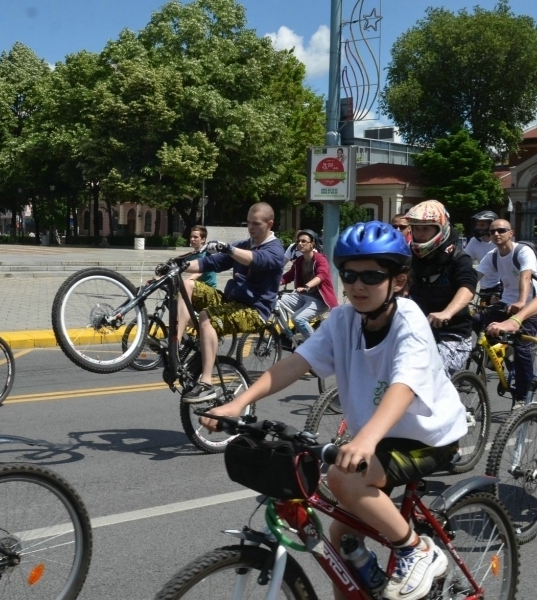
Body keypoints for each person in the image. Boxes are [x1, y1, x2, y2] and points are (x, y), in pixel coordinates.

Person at [201, 221, 467, 600]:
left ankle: (416, 550)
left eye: (372, 276)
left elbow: (403, 386)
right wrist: (238, 402)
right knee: (342, 540)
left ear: (399, 281)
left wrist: (367, 439)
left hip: (427, 436)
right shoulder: (343, 319)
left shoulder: (410, 320)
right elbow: (296, 364)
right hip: (376, 437)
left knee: (345, 479)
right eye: (350, 275)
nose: (358, 286)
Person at [175, 202, 284, 402]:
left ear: (270, 224)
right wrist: (179, 265)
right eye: (248, 223)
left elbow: (256, 260)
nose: (251, 227)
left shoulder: (276, 249)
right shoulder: (245, 244)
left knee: (207, 318)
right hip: (232, 299)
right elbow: (211, 262)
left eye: (256, 224)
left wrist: (229, 249)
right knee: (186, 286)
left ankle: (206, 383)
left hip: (254, 310)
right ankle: (178, 343)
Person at [405, 200, 476, 376]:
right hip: (417, 330)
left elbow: (467, 287)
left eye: (426, 228)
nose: (420, 234)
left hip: (452, 334)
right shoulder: (408, 256)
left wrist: (447, 312)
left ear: (440, 229)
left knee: (431, 377)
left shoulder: (458, 258)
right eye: (416, 228)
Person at [475, 219, 537, 409]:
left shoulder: (522, 252)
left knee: (521, 346)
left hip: (528, 305)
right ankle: (497, 357)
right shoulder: (493, 255)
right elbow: (474, 278)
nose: (496, 234)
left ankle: (522, 395)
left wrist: (520, 301)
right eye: (492, 231)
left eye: (501, 230)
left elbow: (526, 276)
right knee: (477, 320)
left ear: (511, 233)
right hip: (505, 303)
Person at [278, 229, 338, 340]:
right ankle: (286, 335)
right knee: (277, 301)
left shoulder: (320, 259)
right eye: (298, 241)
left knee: (298, 319)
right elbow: (289, 276)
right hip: (303, 297)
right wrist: (273, 284)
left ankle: (314, 346)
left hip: (320, 300)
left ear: (312, 244)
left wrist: (307, 286)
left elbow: (322, 275)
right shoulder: (300, 260)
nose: (300, 244)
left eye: (303, 241)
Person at [465, 210, 501, 304]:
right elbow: (465, 260)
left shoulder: (497, 243)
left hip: (500, 286)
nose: (478, 228)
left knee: (496, 314)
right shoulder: (474, 241)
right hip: (484, 287)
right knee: (481, 313)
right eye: (477, 225)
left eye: (482, 225)